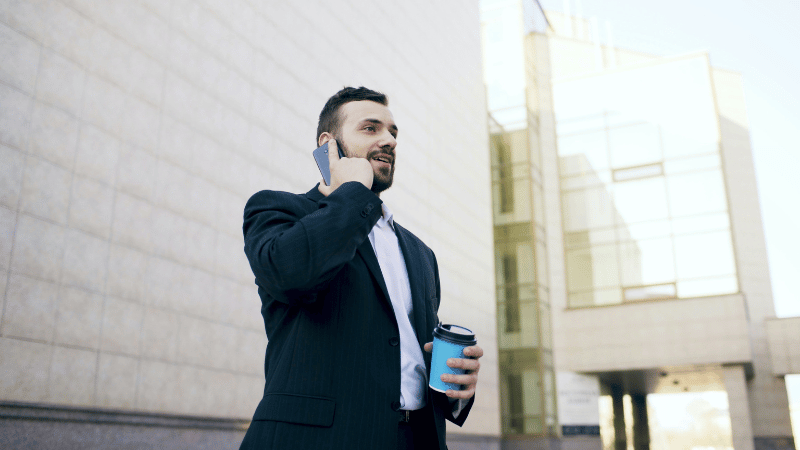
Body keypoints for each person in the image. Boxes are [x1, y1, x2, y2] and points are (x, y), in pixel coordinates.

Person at [239, 87, 483, 450]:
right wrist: (352, 189)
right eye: (371, 129)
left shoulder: (420, 253)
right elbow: (291, 276)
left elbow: (403, 355)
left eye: (393, 133)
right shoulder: (278, 210)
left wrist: (455, 387)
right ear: (329, 144)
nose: (389, 141)